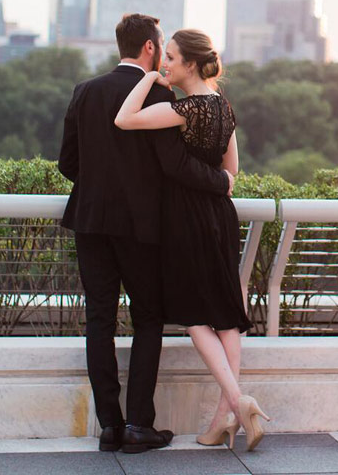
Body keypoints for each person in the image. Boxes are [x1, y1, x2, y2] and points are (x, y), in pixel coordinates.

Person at [58, 13, 234, 455]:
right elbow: (172, 165)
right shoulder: (159, 94)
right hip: (142, 226)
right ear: (152, 48)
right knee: (148, 319)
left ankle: (108, 427)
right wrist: (222, 185)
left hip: (91, 220)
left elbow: (68, 164)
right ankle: (139, 425)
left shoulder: (86, 91)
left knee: (98, 318)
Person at [115, 28, 269, 451]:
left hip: (186, 217)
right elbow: (231, 173)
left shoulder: (185, 109)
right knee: (225, 311)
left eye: (170, 57)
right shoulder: (222, 107)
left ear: (189, 64)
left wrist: (147, 80)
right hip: (220, 215)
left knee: (194, 314)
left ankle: (238, 402)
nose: (165, 63)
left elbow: (124, 119)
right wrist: (217, 183)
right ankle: (224, 418)